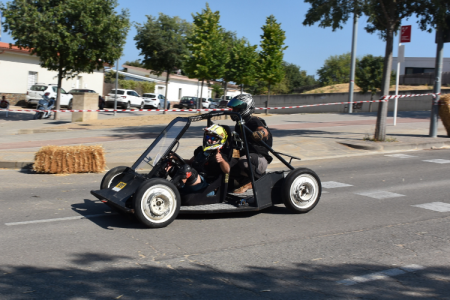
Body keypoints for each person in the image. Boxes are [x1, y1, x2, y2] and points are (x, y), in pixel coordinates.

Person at [226, 94, 273, 194]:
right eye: (233, 108)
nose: (233, 110)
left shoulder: (253, 121)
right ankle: (244, 182)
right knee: (227, 163)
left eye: (236, 108)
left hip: (259, 159)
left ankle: (259, 180)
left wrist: (260, 133)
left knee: (243, 161)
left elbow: (263, 130)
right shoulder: (239, 123)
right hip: (246, 156)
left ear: (245, 108)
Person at [174, 124, 230, 196]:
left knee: (186, 169)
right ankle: (158, 183)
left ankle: (172, 190)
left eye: (213, 138)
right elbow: (190, 162)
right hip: (195, 181)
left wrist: (221, 160)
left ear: (219, 140)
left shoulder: (220, 155)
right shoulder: (200, 150)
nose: (208, 140)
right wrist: (176, 159)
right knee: (171, 165)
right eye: (207, 137)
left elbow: (227, 170)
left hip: (207, 188)